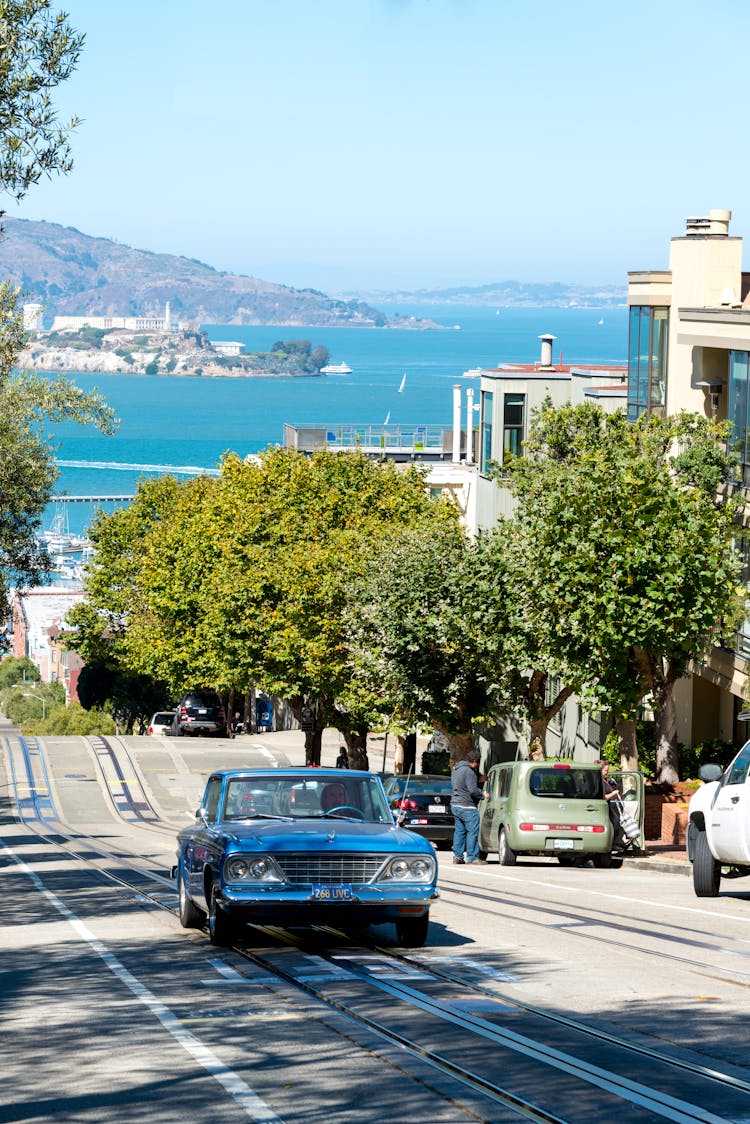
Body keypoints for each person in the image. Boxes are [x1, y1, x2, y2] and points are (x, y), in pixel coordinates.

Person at [450, 749, 488, 865]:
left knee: (459, 831)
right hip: (467, 806)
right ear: (476, 762)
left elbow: (464, 784)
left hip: (455, 804)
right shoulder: (469, 772)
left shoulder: (457, 769)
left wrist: (479, 779)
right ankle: (472, 857)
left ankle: (457, 856)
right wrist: (483, 794)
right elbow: (472, 791)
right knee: (472, 832)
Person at [598, 759, 623, 849]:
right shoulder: (598, 781)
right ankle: (612, 844)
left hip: (608, 807)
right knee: (615, 823)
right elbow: (603, 797)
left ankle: (614, 843)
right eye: (606, 770)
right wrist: (613, 793)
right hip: (603, 808)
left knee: (616, 823)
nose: (607, 772)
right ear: (600, 770)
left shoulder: (604, 780)